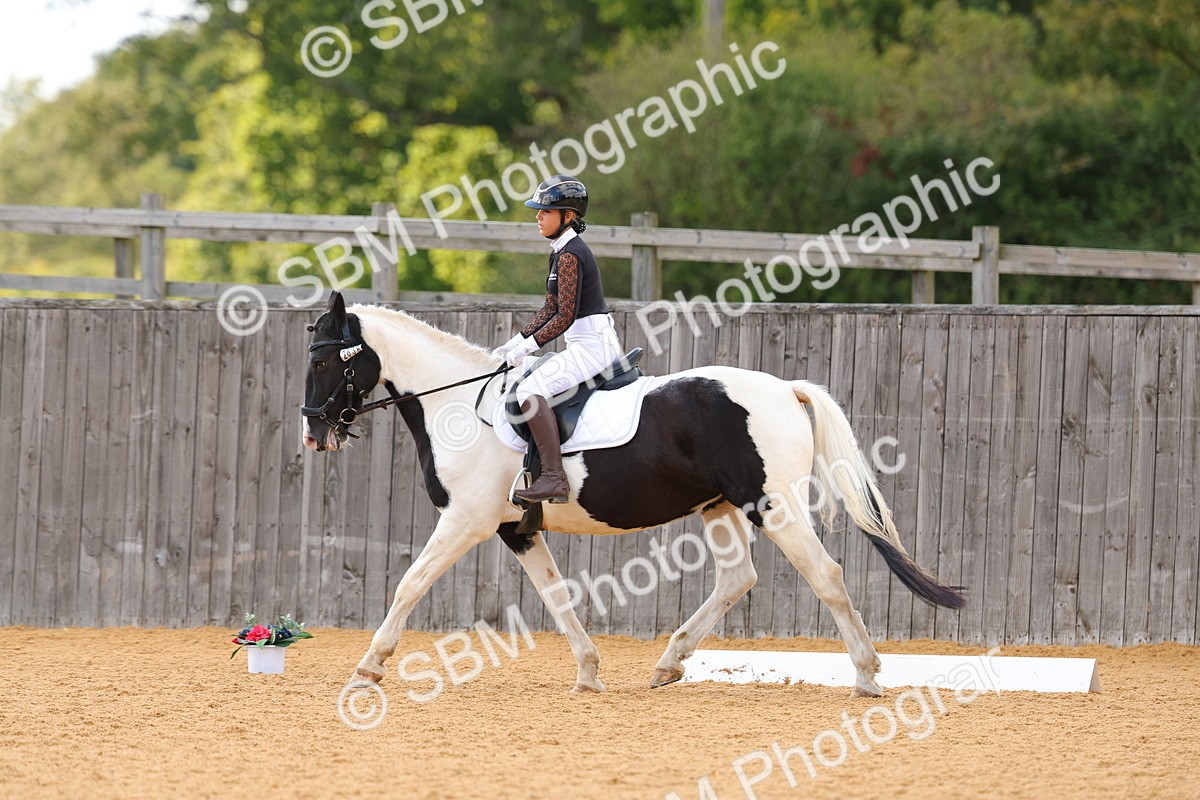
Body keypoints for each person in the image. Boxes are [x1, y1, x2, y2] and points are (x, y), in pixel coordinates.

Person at [492, 175, 622, 504]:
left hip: (592, 347)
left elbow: (564, 316)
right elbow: (550, 306)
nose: (537, 216)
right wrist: (515, 340)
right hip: (583, 343)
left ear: (567, 216)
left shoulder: (570, 255)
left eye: (544, 212)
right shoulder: (560, 251)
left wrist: (525, 349)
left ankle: (553, 477)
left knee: (529, 390)